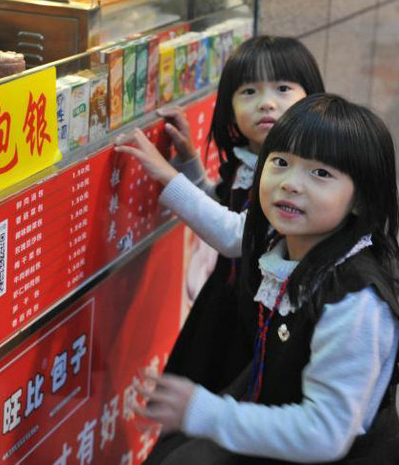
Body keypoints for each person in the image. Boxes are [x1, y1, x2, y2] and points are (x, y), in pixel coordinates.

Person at [136, 94, 399, 464]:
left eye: (321, 174)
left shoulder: (354, 300)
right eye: (281, 163)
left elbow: (324, 433)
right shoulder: (282, 241)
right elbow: (231, 232)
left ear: (361, 200)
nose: (290, 184)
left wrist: (207, 412)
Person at [115, 36, 324, 394]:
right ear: (228, 106)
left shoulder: (297, 173)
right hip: (231, 301)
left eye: (283, 88)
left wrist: (167, 176)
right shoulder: (250, 158)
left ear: (312, 96)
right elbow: (227, 205)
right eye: (249, 92)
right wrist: (187, 160)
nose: (266, 103)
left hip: (264, 316)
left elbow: (239, 236)